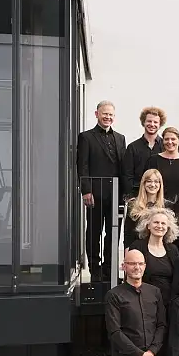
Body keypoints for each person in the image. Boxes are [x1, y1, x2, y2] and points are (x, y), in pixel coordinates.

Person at [127, 208, 179, 356]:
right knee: (148, 348)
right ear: (148, 225)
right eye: (156, 222)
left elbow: (176, 280)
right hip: (145, 305)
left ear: (168, 228)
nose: (159, 226)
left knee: (165, 350)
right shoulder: (138, 246)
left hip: (167, 306)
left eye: (163, 224)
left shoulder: (172, 250)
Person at [77, 100, 126, 280]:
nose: (108, 117)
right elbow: (82, 166)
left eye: (111, 115)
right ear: (96, 114)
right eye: (104, 114)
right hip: (95, 195)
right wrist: (86, 191)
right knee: (94, 233)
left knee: (113, 234)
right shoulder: (86, 137)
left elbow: (123, 168)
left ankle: (109, 271)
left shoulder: (120, 138)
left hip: (116, 195)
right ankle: (95, 271)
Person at [146, 127, 179, 206]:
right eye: (166, 139)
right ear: (162, 141)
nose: (170, 142)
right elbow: (146, 184)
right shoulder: (153, 160)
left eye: (173, 139)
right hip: (158, 206)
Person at [122, 106, 165, 198]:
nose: (152, 124)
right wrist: (131, 196)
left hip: (160, 196)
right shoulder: (132, 147)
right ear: (143, 122)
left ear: (160, 124)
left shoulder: (165, 147)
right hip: (137, 196)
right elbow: (127, 174)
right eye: (149, 121)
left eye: (155, 122)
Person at [123, 169, 166, 246]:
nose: (152, 185)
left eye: (156, 181)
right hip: (137, 247)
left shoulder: (166, 206)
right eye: (149, 181)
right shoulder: (132, 204)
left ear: (160, 184)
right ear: (144, 183)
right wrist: (127, 250)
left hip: (159, 248)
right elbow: (128, 233)